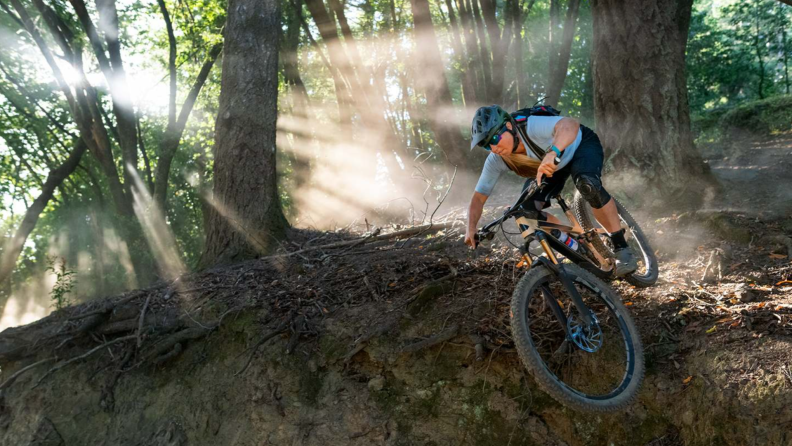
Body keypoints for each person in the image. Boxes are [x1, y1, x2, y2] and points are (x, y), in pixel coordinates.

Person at [463, 105, 638, 276]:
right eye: (486, 146)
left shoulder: (529, 126)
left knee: (587, 185)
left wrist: (553, 152)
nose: (493, 148)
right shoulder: (496, 159)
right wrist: (471, 228)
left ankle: (621, 248)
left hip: (580, 146)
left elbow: (570, 125)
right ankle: (576, 244)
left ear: (508, 126)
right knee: (525, 211)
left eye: (494, 139)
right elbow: (478, 198)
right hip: (552, 168)